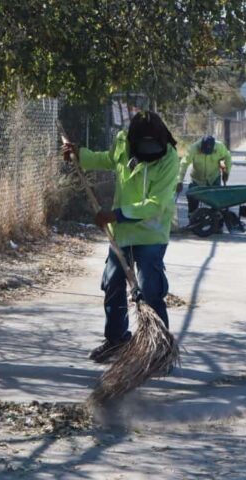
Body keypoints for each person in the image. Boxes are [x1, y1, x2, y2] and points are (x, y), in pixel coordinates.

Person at [62, 111, 179, 362]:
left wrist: (116, 215)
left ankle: (159, 351)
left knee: (149, 290)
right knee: (112, 284)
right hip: (122, 234)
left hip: (151, 234)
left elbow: (155, 204)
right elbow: (108, 159)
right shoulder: (123, 142)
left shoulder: (169, 159)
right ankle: (116, 341)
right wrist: (80, 155)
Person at [176, 135, 232, 214]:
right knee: (192, 197)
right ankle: (192, 218)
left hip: (214, 178)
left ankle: (217, 218)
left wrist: (226, 171)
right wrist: (179, 180)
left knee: (217, 201)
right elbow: (184, 164)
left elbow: (227, 157)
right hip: (197, 179)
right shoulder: (193, 148)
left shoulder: (220, 147)